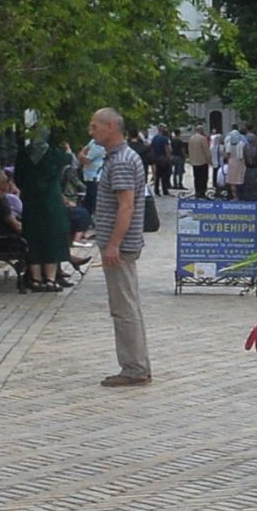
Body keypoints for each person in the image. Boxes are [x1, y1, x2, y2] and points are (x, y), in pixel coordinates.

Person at [90, 108, 152, 387]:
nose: (91, 133)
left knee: (123, 307)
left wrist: (113, 243)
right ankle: (136, 364)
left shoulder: (123, 161)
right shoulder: (118, 158)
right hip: (119, 244)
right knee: (127, 304)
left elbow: (125, 206)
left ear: (111, 126)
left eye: (95, 127)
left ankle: (134, 367)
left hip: (121, 246)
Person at [15, 128, 77, 292]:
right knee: (53, 239)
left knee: (33, 239)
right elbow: (69, 161)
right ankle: (50, 280)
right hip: (52, 203)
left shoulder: (23, 154)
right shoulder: (54, 154)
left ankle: (36, 279)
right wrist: (68, 150)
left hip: (31, 203)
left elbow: (18, 178)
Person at [186, 125, 213, 199]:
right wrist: (209, 160)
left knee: (196, 177)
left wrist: (191, 159)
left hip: (194, 161)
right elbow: (206, 150)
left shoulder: (191, 138)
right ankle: (202, 192)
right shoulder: (203, 138)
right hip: (202, 161)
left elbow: (189, 150)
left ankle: (197, 191)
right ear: (201, 130)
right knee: (203, 178)